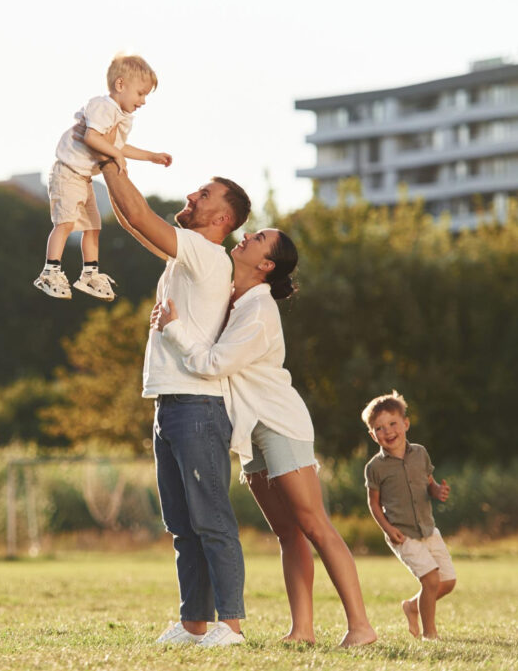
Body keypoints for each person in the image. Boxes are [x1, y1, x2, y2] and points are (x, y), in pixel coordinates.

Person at [151, 228, 377, 648]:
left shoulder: (258, 310)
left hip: (278, 422)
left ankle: (361, 627)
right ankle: (302, 631)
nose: (245, 238)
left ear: (267, 265)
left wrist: (174, 328)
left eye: (256, 239)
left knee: (314, 525)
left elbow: (214, 364)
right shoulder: (233, 299)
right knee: (287, 533)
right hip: (248, 429)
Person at [98, 159, 251, 647]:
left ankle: (231, 626)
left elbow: (142, 216)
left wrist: (108, 159)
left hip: (198, 407)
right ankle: (193, 624)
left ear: (223, 219)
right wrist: (110, 173)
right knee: (183, 525)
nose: (192, 196)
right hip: (171, 405)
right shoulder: (185, 255)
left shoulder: (207, 255)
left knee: (212, 521)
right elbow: (131, 219)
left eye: (204, 195)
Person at [33, 54, 172, 301]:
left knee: (93, 227)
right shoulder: (102, 106)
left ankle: (90, 274)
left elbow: (117, 146)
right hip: (67, 173)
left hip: (83, 178)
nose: (143, 101)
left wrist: (151, 156)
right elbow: (92, 138)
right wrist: (117, 155)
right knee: (65, 223)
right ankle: (50, 271)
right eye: (140, 93)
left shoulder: (120, 115)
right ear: (120, 85)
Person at [362, 391, 456, 640]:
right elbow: (373, 503)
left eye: (393, 423)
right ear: (373, 435)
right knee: (431, 580)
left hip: (427, 528)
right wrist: (387, 529)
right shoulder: (375, 467)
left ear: (405, 423)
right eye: (379, 428)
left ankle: (413, 606)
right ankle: (430, 634)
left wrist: (438, 491)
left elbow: (429, 482)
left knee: (447, 582)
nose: (388, 431)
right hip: (402, 534)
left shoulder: (420, 453)